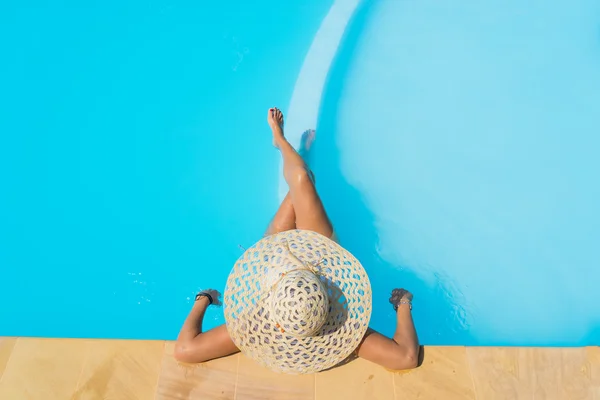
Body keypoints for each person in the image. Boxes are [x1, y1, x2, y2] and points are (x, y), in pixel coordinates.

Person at [174, 108, 419, 371]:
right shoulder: (341, 331)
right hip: (318, 259)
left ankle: (283, 143)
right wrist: (402, 304)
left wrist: (204, 300)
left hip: (278, 259)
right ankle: (286, 147)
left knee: (301, 182)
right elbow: (406, 357)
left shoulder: (258, 326)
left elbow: (185, 350)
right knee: (303, 181)